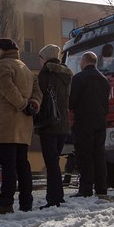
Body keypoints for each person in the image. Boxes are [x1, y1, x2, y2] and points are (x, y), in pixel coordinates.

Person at [0, 38, 42, 214]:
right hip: (24, 125)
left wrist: (21, 104)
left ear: (3, 50)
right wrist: (33, 104)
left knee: (8, 166)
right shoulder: (25, 68)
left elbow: (6, 87)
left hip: (7, 124)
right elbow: (37, 90)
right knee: (23, 165)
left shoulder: (3, 65)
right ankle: (26, 203)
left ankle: (5, 203)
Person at [69, 51, 111, 197]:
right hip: (100, 121)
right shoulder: (104, 80)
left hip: (84, 121)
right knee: (99, 155)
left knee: (84, 155)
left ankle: (85, 189)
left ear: (84, 61)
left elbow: (71, 101)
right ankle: (101, 188)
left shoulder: (79, 78)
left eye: (81, 61)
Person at [35, 44, 73, 209]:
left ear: (45, 58)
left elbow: (39, 98)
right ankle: (58, 196)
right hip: (63, 124)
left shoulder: (44, 75)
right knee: (55, 161)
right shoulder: (67, 75)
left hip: (49, 124)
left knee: (51, 164)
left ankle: (54, 199)